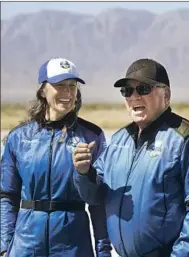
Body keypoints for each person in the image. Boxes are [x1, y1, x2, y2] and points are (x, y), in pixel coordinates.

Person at [72, 58, 189, 257]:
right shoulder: (120, 140)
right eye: (127, 91)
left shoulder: (188, 138)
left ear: (166, 94)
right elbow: (94, 195)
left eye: (143, 89)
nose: (134, 97)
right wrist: (84, 172)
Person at [0, 58, 112, 257]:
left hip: (73, 248)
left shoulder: (91, 136)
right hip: (25, 247)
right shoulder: (19, 138)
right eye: (60, 86)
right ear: (43, 90)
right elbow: (7, 196)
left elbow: (98, 200)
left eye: (72, 86)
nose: (68, 93)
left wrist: (103, 251)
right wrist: (4, 247)